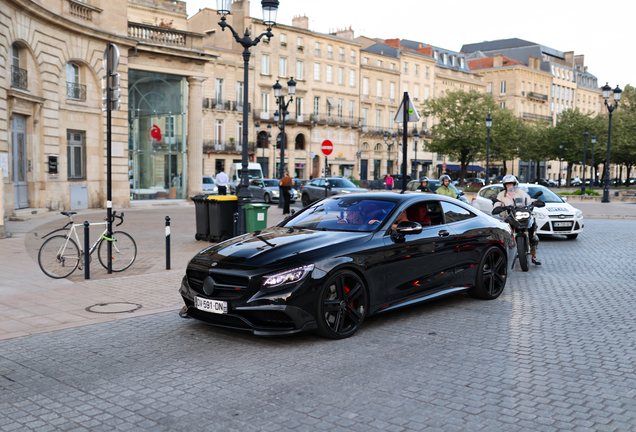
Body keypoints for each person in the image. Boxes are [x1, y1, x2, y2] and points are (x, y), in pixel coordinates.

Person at [494, 174, 541, 265]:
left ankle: (534, 256)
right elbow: (497, 203)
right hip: (509, 217)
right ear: (504, 186)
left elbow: (528, 200)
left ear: (515, 184)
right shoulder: (501, 195)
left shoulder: (520, 192)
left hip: (521, 215)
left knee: (533, 229)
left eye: (511, 184)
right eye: (507, 185)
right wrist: (497, 208)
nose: (509, 186)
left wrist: (535, 202)